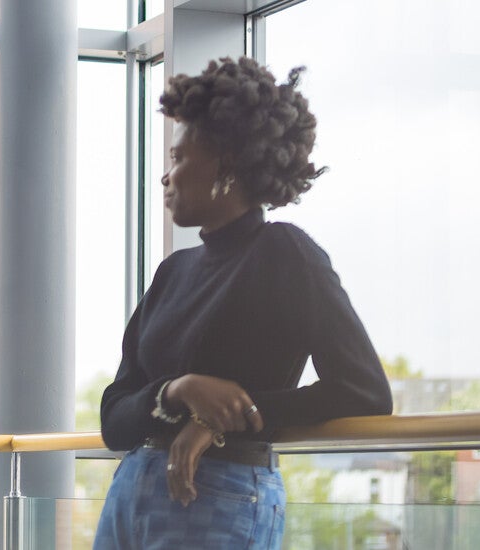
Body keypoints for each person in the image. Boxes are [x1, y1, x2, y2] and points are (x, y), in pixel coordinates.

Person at [94, 57, 393, 549]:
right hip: (130, 495)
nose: (166, 177)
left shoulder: (286, 254)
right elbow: (113, 419)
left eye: (179, 159)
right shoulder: (173, 272)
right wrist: (177, 390)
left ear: (226, 166)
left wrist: (225, 421)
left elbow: (365, 391)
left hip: (215, 500)